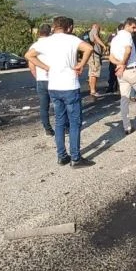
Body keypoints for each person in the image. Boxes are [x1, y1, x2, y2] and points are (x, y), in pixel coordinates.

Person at [25, 16, 95, 168]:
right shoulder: (71, 39)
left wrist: (45, 67)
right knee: (75, 123)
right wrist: (81, 64)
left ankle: (62, 156)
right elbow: (89, 48)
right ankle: (76, 158)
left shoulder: (46, 42)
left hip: (53, 87)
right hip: (69, 86)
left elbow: (28, 55)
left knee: (59, 122)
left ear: (54, 27)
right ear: (69, 27)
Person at [27, 23, 54, 136]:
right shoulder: (54, 44)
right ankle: (64, 126)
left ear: (39, 33)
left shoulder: (34, 46)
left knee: (44, 106)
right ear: (50, 32)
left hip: (41, 79)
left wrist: (37, 77)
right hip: (55, 79)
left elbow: (31, 65)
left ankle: (47, 128)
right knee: (59, 104)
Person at [87, 23, 108, 100]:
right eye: (99, 28)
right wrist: (103, 45)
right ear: (95, 27)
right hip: (94, 56)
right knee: (94, 73)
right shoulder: (94, 30)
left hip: (93, 56)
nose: (99, 29)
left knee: (91, 73)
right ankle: (93, 91)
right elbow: (96, 37)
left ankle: (93, 89)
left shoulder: (90, 32)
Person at [105, 24, 123, 94]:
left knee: (120, 74)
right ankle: (111, 87)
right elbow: (109, 43)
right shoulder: (113, 36)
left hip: (120, 58)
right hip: (113, 58)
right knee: (112, 73)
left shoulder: (125, 37)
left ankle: (118, 88)